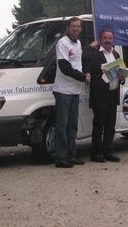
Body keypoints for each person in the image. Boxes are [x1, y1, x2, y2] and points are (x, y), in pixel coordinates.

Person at [82, 28, 125, 163]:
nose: (108, 41)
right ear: (101, 40)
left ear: (113, 40)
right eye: (105, 38)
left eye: (110, 38)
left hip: (113, 95)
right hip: (100, 95)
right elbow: (84, 59)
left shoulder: (116, 55)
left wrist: (122, 77)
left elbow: (122, 75)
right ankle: (96, 153)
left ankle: (108, 152)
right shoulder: (94, 55)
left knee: (110, 126)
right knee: (99, 125)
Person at [52, 17, 90, 168]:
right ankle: (61, 158)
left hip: (75, 90)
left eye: (78, 26)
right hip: (63, 90)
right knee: (62, 125)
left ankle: (71, 156)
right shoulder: (62, 43)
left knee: (72, 125)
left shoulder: (79, 43)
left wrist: (85, 74)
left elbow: (78, 64)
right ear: (68, 27)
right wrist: (82, 77)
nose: (76, 28)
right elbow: (64, 66)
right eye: (73, 26)